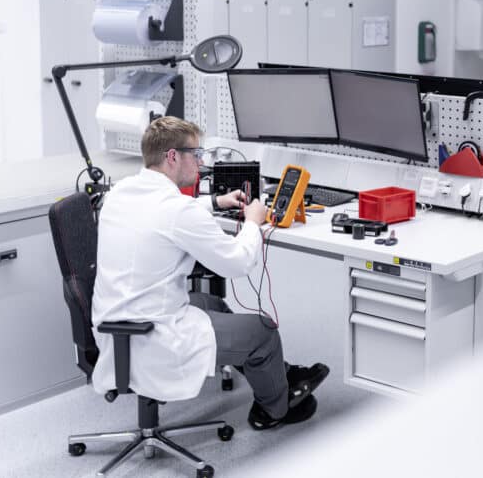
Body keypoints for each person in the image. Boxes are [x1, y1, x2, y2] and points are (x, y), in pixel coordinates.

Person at [91, 116, 328, 429]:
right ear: (173, 157)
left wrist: (215, 201)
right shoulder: (177, 210)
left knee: (210, 303)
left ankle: (279, 375)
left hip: (116, 323)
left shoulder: (120, 194)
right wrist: (254, 222)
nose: (200, 163)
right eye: (196, 154)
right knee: (264, 330)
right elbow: (238, 262)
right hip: (153, 338)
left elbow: (165, 215)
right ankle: (275, 409)